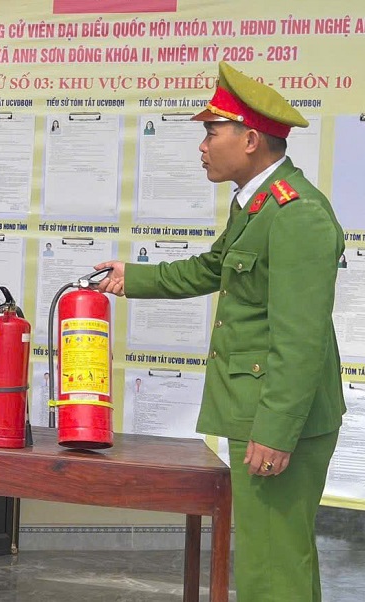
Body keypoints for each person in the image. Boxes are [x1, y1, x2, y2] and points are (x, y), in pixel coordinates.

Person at [95, 61, 346, 602]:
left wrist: (275, 430)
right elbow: (215, 267)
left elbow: (301, 339)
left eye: (212, 132)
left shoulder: (296, 214)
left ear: (250, 140)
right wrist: (133, 277)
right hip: (258, 409)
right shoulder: (256, 204)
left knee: (272, 568)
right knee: (273, 558)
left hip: (277, 419)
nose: (203, 146)